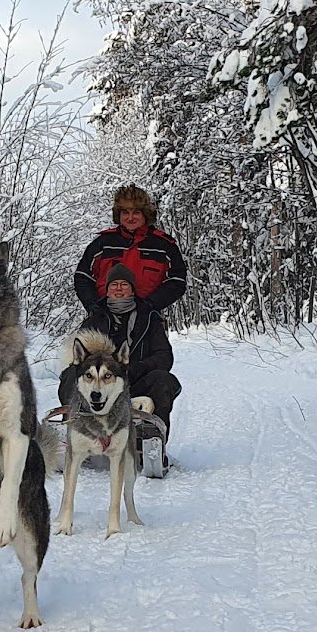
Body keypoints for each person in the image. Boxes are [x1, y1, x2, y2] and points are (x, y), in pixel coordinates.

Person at [74, 185, 188, 474]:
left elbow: (178, 281)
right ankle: (79, 435)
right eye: (125, 212)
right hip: (104, 316)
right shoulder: (103, 244)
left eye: (136, 212)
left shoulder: (163, 245)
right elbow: (82, 276)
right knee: (75, 374)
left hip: (146, 317)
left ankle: (152, 442)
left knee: (161, 378)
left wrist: (151, 304)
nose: (131, 217)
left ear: (146, 214)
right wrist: (94, 306)